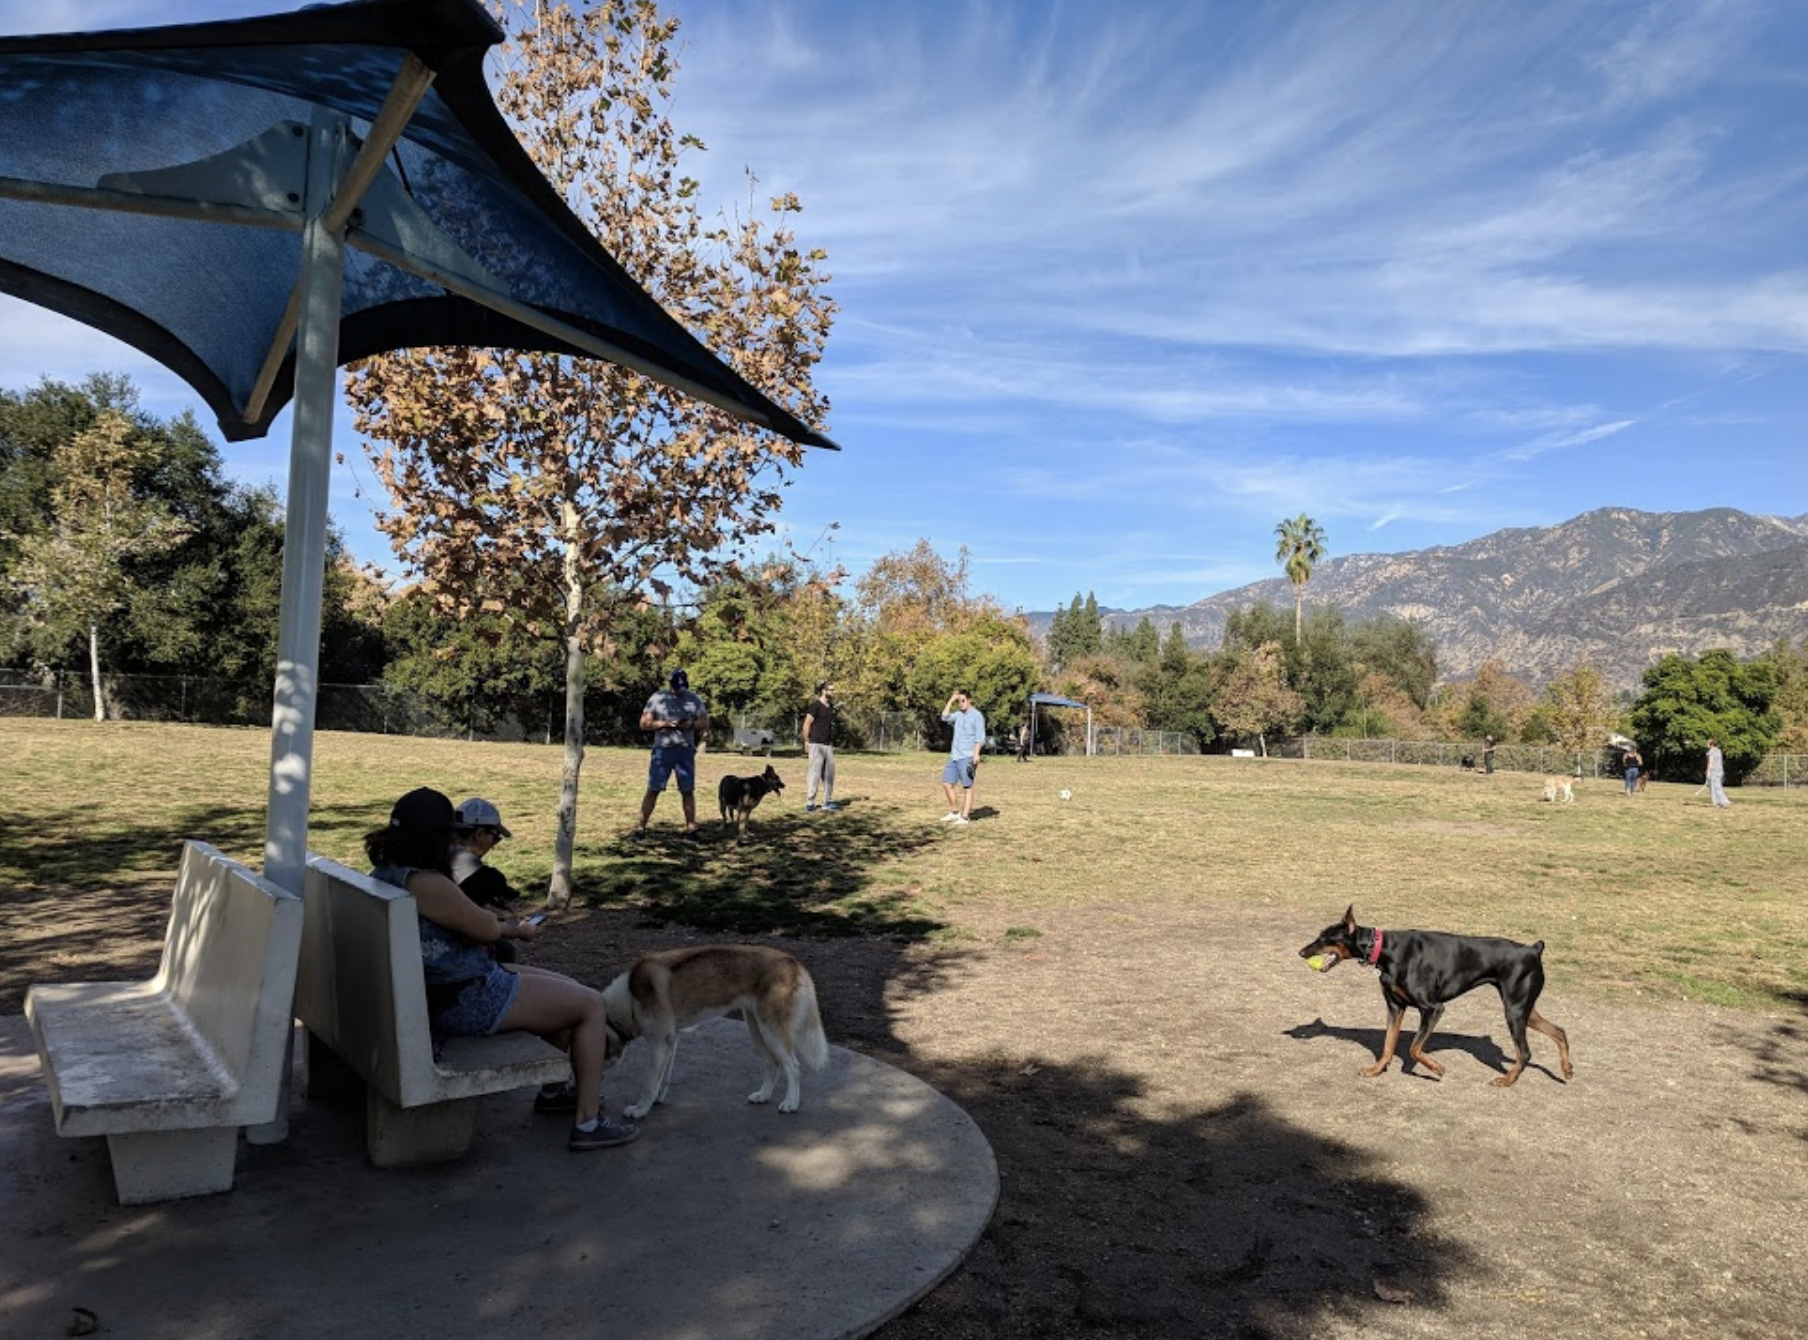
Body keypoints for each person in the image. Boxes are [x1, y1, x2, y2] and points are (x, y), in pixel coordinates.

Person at [366, 787, 636, 1151]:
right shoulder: (427, 882)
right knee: (590, 1004)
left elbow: (466, 921)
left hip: (439, 989)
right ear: (437, 836)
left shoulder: (386, 872)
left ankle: (558, 1091)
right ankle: (588, 1123)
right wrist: (517, 930)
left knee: (565, 986)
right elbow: (485, 929)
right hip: (464, 999)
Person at [631, 669, 709, 841]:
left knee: (687, 790)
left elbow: (704, 722)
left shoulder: (693, 699)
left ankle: (691, 828)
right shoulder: (658, 698)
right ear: (670, 684)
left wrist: (690, 725)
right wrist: (665, 723)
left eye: (681, 687)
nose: (678, 691)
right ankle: (640, 828)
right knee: (653, 789)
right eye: (675, 686)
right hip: (663, 749)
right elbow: (644, 723)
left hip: (685, 750)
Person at [453, 797, 521, 963]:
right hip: (446, 957)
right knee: (503, 951)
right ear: (479, 834)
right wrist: (518, 930)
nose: (494, 844)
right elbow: (469, 928)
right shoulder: (478, 874)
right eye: (495, 836)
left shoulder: (437, 855)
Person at [939, 689, 986, 824]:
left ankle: (965, 817)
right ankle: (955, 812)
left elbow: (980, 737)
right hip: (954, 755)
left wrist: (976, 754)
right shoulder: (958, 715)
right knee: (947, 784)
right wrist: (951, 700)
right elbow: (944, 717)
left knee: (967, 786)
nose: (961, 704)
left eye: (963, 700)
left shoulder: (977, 716)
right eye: (959, 701)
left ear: (970, 700)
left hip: (967, 756)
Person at [801, 681, 839, 812]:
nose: (833, 692)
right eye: (831, 690)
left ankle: (827, 801)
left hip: (827, 745)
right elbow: (806, 724)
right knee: (814, 773)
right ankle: (810, 802)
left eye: (833, 690)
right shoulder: (815, 706)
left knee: (829, 774)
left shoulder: (830, 707)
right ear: (823, 691)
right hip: (815, 744)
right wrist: (806, 741)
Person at [1706, 738, 1731, 808]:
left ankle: (1723, 802)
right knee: (1717, 787)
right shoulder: (1719, 751)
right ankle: (1717, 802)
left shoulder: (1711, 752)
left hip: (1714, 772)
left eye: (1708, 743)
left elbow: (1710, 762)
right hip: (1719, 771)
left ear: (1711, 744)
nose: (1706, 744)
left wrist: (1708, 772)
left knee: (1715, 788)